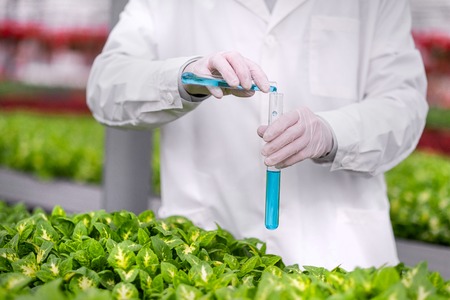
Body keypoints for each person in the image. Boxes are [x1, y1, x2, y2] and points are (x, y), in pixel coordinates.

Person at [87, 0, 428, 271]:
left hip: (337, 254)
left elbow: (404, 105)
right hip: (208, 254)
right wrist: (183, 77)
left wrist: (333, 132)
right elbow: (106, 85)